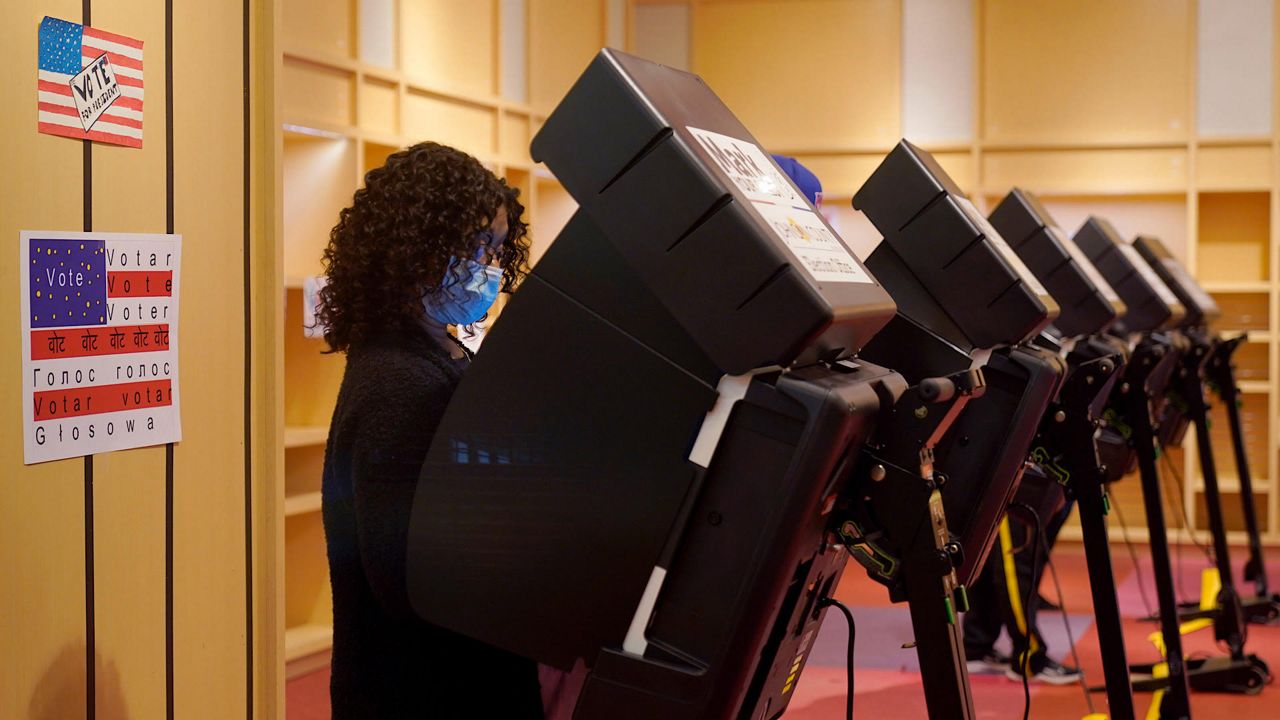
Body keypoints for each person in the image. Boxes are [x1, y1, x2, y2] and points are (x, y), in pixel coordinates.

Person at [316, 141, 544, 718]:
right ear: (412, 250)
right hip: (423, 690)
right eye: (473, 248)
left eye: (494, 250)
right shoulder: (398, 381)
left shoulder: (429, 355)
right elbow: (406, 578)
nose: (487, 269)